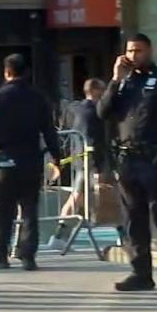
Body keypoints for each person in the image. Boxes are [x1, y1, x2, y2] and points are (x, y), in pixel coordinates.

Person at [97, 34, 157, 296]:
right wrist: (115, 79)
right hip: (128, 161)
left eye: (139, 50)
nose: (134, 55)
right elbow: (102, 112)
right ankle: (141, 273)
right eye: (129, 50)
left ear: (149, 51)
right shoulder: (124, 83)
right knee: (133, 220)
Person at [0, 54, 62, 271]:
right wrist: (57, 157)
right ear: (27, 72)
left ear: (7, 72)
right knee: (29, 210)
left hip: (5, 159)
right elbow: (49, 131)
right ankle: (28, 255)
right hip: (31, 159)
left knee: (2, 209)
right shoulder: (39, 98)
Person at [49, 78, 110, 250]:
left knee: (80, 198)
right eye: (103, 90)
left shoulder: (77, 109)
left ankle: (62, 235)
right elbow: (93, 140)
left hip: (79, 159)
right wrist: (97, 167)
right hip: (88, 162)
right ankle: (60, 235)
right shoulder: (94, 112)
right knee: (78, 198)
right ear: (96, 90)